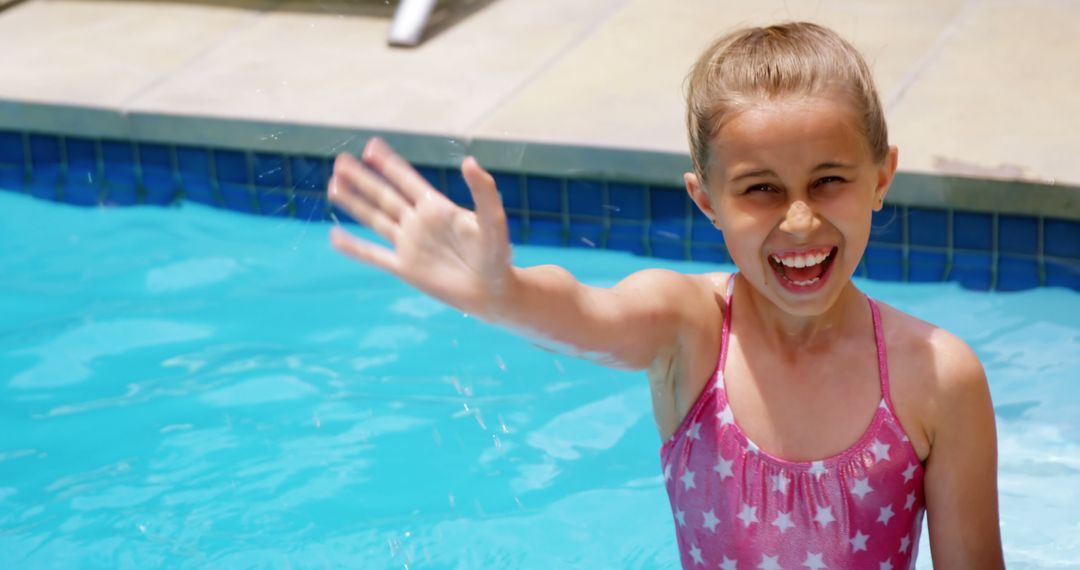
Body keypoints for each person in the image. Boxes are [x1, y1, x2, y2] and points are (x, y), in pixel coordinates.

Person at [326, 21, 1004, 569]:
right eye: (760, 189)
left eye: (829, 180)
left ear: (882, 176)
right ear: (705, 200)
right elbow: (589, 313)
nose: (799, 219)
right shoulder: (692, 329)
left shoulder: (937, 377)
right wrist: (505, 293)